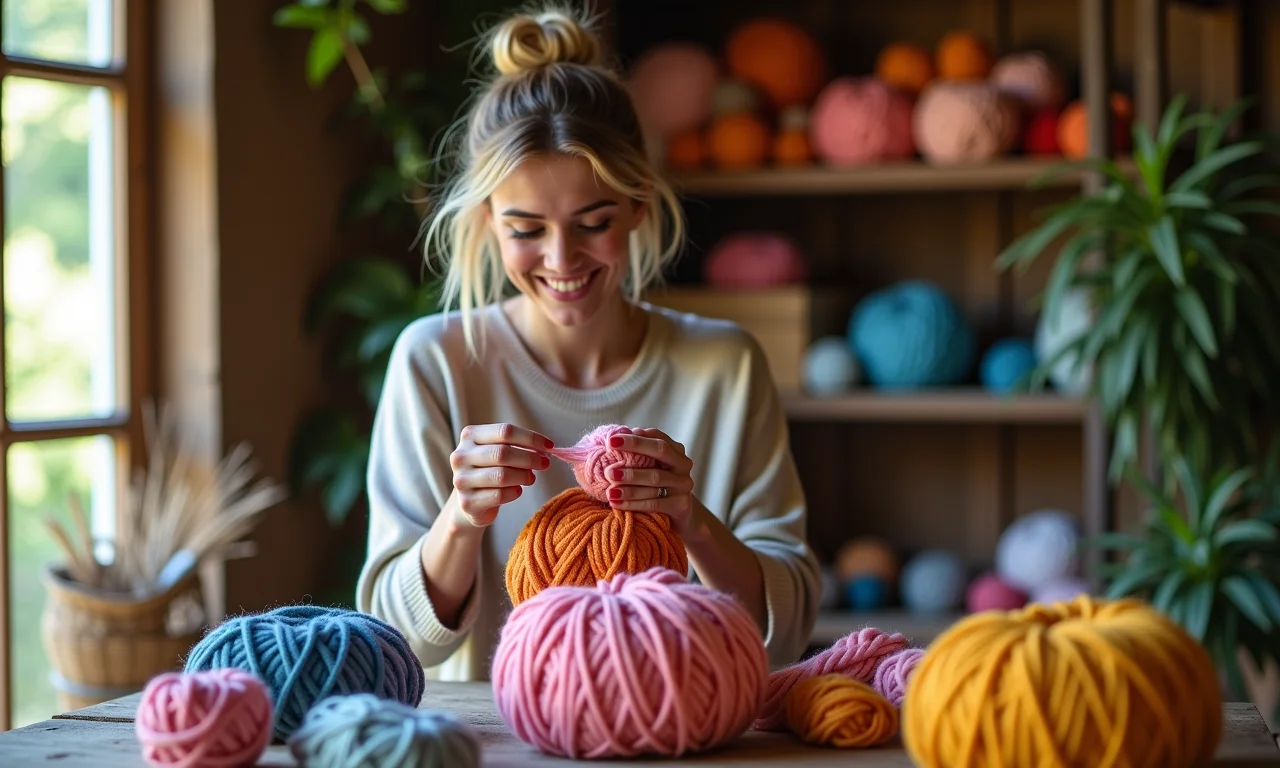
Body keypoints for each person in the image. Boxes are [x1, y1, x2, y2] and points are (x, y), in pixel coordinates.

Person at [356, 3, 820, 681]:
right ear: (487, 223)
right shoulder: (435, 362)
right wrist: (459, 520)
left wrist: (690, 519)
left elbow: (786, 631)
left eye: (593, 221)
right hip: (501, 739)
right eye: (525, 229)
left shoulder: (725, 366)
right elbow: (391, 645)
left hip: (680, 732)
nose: (561, 258)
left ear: (638, 204)